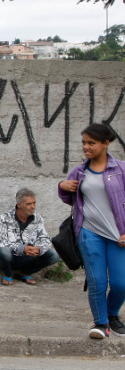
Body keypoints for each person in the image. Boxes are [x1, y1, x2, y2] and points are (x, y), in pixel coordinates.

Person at [58, 123, 125, 339]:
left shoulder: (121, 169)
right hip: (89, 233)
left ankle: (112, 315)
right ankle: (101, 324)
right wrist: (63, 187)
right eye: (84, 143)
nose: (86, 147)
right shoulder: (79, 171)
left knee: (120, 283)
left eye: (91, 143)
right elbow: (70, 200)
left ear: (106, 143)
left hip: (118, 236)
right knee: (97, 281)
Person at [0, 188, 60, 285]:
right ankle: (8, 274)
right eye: (29, 204)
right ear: (19, 205)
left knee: (54, 255)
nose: (33, 207)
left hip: (28, 257)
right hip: (10, 257)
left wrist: (39, 249)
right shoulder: (4, 218)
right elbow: (0, 244)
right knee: (4, 252)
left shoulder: (37, 218)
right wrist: (22, 249)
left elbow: (45, 238)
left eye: (34, 203)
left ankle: (24, 273)